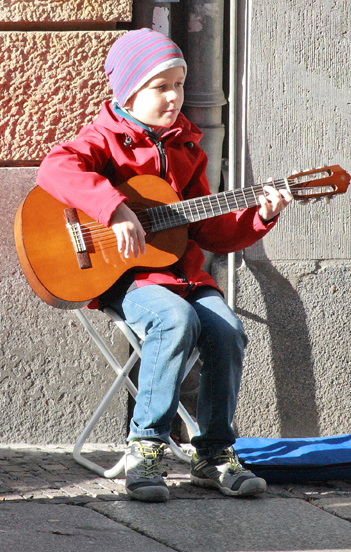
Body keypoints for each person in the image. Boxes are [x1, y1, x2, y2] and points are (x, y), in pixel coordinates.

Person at [36, 28, 292, 502]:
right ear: (129, 89)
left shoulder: (187, 149)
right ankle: (145, 448)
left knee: (227, 329)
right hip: (126, 277)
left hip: (183, 274)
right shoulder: (103, 139)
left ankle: (213, 452)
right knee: (174, 320)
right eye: (161, 86)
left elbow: (207, 230)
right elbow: (54, 169)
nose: (174, 97)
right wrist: (114, 209)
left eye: (178, 85)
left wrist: (260, 214)